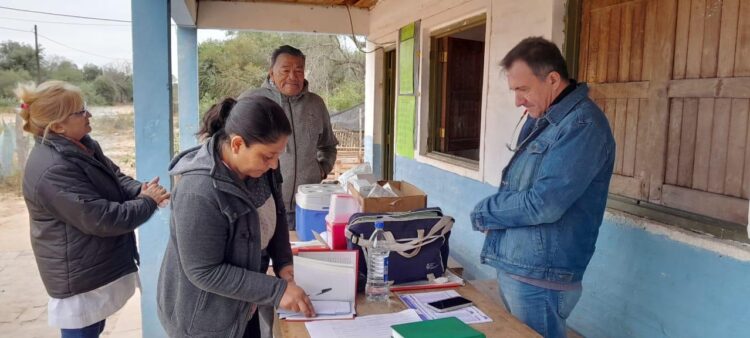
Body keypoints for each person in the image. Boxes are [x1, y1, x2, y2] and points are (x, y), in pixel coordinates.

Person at [470, 37, 615, 338]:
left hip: (542, 277)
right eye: (514, 91)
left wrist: (485, 212)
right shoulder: (544, 118)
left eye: (523, 89)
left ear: (552, 79)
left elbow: (543, 203)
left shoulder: (582, 126)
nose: (517, 101)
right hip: (521, 268)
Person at [17, 80, 170, 338]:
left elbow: (115, 177)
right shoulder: (52, 169)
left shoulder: (82, 145)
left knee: (94, 328)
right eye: (80, 112)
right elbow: (101, 218)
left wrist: (140, 190)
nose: (88, 115)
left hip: (91, 265)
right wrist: (147, 201)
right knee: (82, 331)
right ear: (57, 126)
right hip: (78, 275)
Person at [157, 95, 315, 338]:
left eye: (277, 155)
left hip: (244, 302)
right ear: (238, 144)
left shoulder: (261, 166)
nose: (274, 164)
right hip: (205, 318)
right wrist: (276, 290)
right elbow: (204, 271)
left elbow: (278, 212)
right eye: (267, 156)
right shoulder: (198, 191)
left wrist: (284, 263)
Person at [239, 45, 338, 230]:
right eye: (285, 70)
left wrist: (322, 169)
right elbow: (229, 146)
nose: (293, 76)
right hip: (260, 206)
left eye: (299, 70)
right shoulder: (252, 101)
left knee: (302, 255)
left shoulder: (316, 104)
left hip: (306, 206)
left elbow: (328, 145)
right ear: (271, 73)